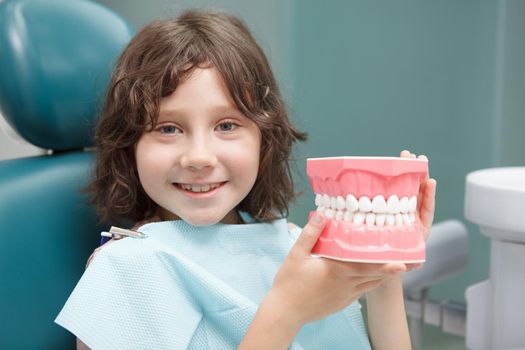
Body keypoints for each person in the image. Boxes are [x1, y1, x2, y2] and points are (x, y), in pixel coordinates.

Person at [56, 9, 437, 350]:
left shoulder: (290, 242)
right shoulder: (125, 270)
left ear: (264, 139)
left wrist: (385, 270)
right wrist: (285, 312)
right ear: (129, 144)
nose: (200, 158)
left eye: (226, 125)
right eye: (169, 128)